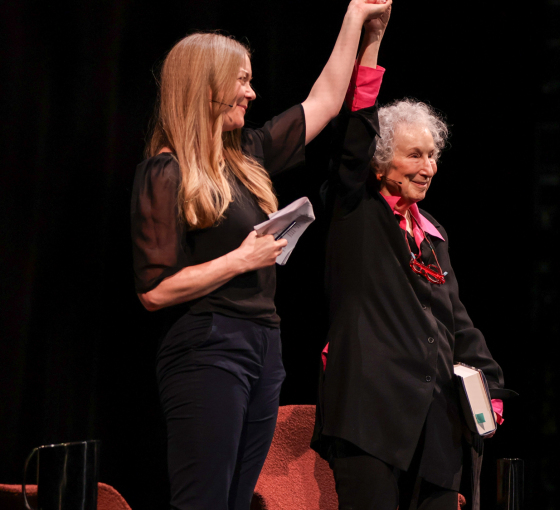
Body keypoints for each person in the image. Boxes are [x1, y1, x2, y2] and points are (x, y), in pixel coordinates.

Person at [130, 2, 392, 509]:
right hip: (207, 347)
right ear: (205, 87)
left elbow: (325, 101)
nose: (252, 92)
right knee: (205, 500)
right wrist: (239, 260)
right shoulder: (165, 173)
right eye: (241, 81)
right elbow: (154, 290)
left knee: (237, 499)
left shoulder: (247, 152)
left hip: (263, 347)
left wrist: (357, 23)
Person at [312, 32, 514, 510]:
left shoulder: (433, 232)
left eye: (433, 156)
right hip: (370, 413)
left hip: (438, 422)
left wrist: (491, 384)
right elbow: (352, 135)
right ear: (380, 166)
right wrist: (372, 42)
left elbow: (456, 319)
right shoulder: (355, 213)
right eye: (414, 155)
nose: (429, 167)